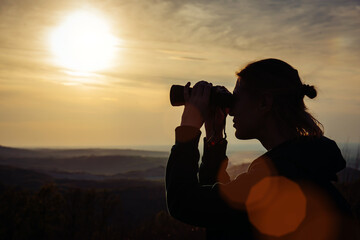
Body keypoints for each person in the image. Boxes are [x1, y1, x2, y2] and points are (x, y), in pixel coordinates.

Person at [166, 59, 358, 239]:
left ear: (264, 103)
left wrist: (188, 129)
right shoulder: (302, 164)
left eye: (237, 98)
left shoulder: (277, 177)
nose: (230, 110)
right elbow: (218, 218)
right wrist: (214, 138)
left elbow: (183, 203)